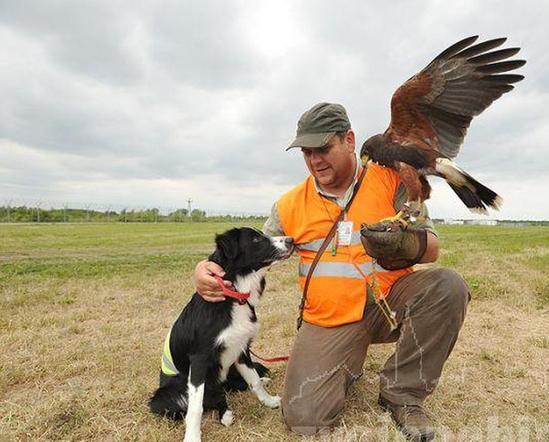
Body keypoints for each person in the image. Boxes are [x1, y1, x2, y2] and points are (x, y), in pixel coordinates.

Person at [194, 103, 470, 441]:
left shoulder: (391, 179)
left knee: (447, 286)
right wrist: (204, 269)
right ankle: (345, 362)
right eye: (307, 152)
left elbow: (432, 248)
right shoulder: (290, 205)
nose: (315, 160)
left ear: (350, 140)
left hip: (388, 304)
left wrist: (405, 244)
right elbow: (249, 253)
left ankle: (403, 394)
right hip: (330, 318)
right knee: (304, 419)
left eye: (323, 148)